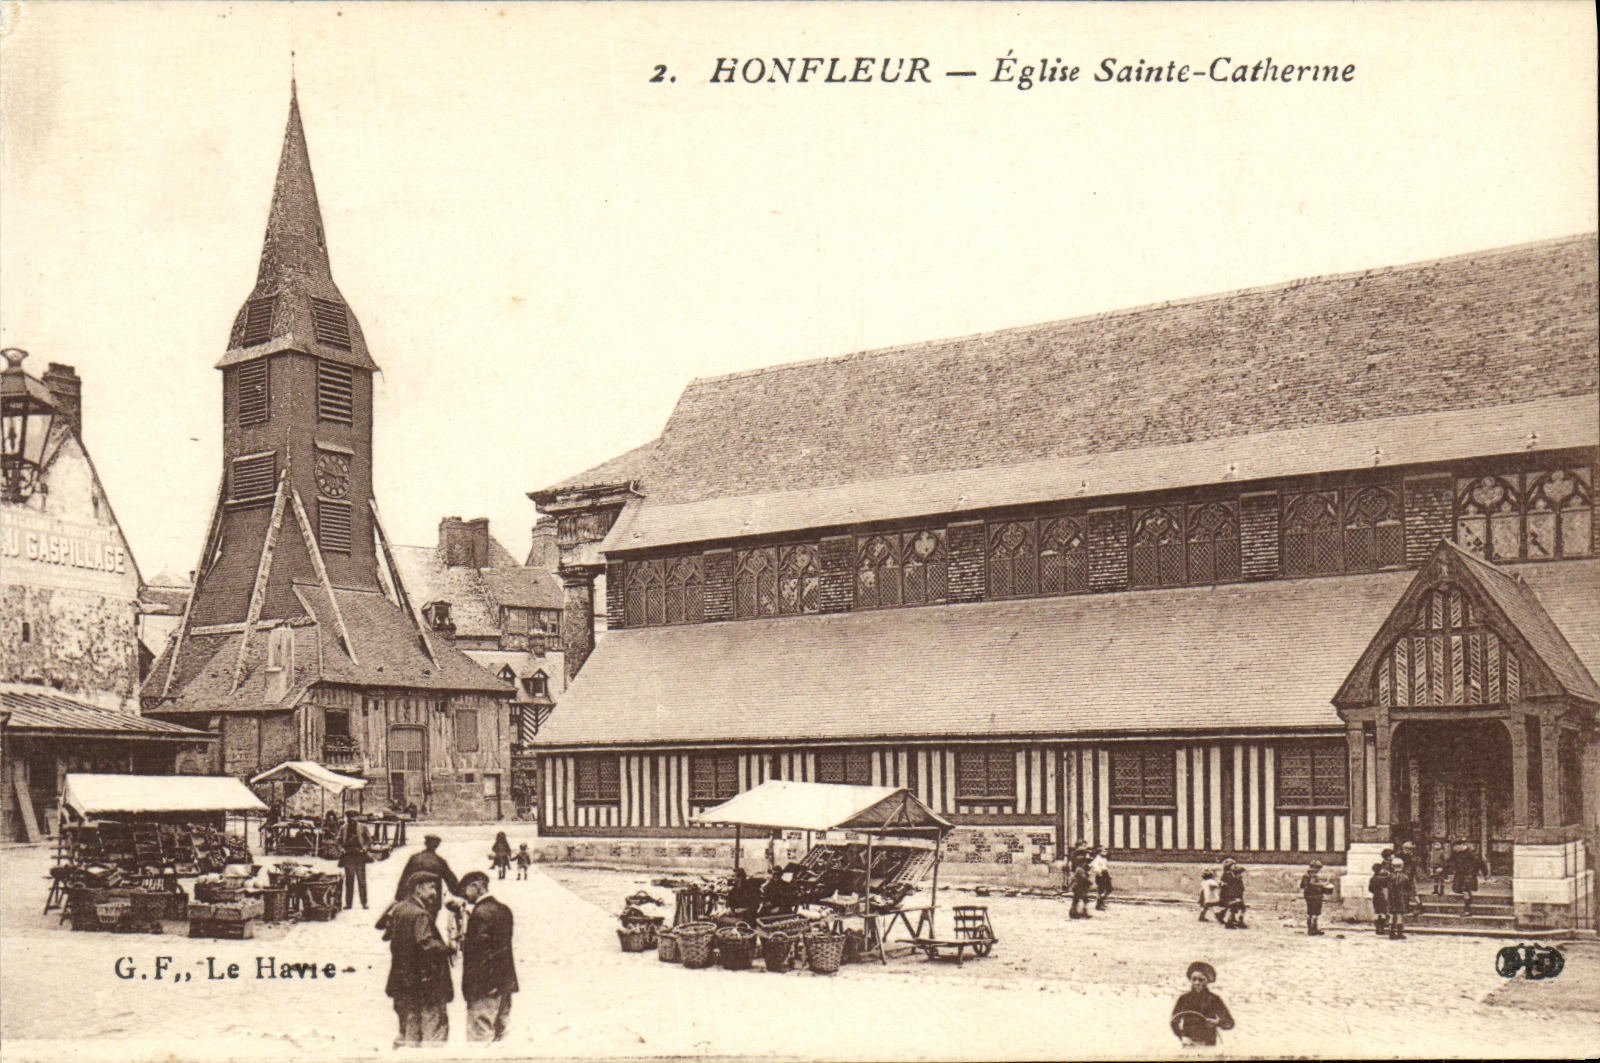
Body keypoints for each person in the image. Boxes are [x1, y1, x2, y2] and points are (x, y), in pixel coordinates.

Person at [385, 872, 455, 1047]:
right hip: (425, 982)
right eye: (432, 888)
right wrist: (447, 949)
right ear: (418, 889)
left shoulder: (400, 908)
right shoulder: (420, 914)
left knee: (408, 1031)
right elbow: (425, 943)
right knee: (433, 1030)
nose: (435, 893)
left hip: (402, 981)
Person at [460, 870, 518, 1042]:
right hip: (505, 981)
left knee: (480, 1034)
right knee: (502, 1031)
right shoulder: (503, 909)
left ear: (476, 886)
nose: (464, 895)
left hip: (484, 986)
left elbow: (480, 953)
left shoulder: (480, 914)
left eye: (465, 890)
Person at [1170, 961, 1234, 1047]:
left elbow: (1229, 1023)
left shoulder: (1214, 999)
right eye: (1194, 979)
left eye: (1201, 980)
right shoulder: (1184, 999)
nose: (1197, 983)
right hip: (1189, 1045)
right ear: (1190, 980)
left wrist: (1217, 1022)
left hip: (1209, 1044)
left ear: (1208, 980)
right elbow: (1174, 1021)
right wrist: (1182, 1037)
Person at [394, 834, 462, 907]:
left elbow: (404, 879)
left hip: (414, 897)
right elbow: (452, 883)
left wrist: (399, 897)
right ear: (437, 845)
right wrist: (463, 894)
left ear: (425, 843)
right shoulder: (440, 861)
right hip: (433, 900)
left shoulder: (414, 858)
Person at [338, 810, 373, 910]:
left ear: (357, 818)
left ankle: (364, 903)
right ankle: (348, 904)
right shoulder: (343, 828)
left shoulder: (363, 827)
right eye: (349, 818)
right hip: (348, 856)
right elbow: (338, 840)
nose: (352, 820)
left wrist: (365, 848)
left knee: (361, 880)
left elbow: (369, 839)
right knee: (349, 880)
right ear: (347, 818)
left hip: (360, 856)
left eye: (354, 817)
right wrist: (341, 849)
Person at [1449, 840, 1490, 917]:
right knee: (1457, 889)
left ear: (1460, 845)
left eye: (1455, 847)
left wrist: (1485, 874)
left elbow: (1481, 863)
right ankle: (1468, 905)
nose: (1454, 849)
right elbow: (1450, 862)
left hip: (1469, 875)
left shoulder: (1472, 853)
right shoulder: (1456, 853)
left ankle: (1467, 910)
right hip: (1460, 875)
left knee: (1466, 891)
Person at [1299, 859, 1332, 936]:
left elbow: (1302, 886)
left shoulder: (1305, 875)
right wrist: (1324, 884)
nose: (1318, 870)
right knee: (1315, 913)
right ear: (1315, 867)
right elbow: (1312, 882)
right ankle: (1314, 929)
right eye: (1318, 868)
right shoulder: (1313, 874)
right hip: (1315, 895)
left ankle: (1310, 929)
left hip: (1308, 895)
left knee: (1310, 912)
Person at [1383, 857, 1407, 940]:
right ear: (1402, 866)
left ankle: (1391, 932)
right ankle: (1400, 933)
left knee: (1392, 915)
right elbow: (1408, 889)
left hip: (1391, 898)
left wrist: (1386, 897)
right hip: (1401, 898)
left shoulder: (1389, 877)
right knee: (1400, 915)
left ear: (1392, 866)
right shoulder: (1404, 877)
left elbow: (1385, 887)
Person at [1220, 860, 1247, 929]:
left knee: (1241, 907)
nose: (1235, 866)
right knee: (1234, 906)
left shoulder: (1237, 878)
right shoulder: (1227, 875)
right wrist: (1223, 884)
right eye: (1233, 865)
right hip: (1229, 896)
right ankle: (1230, 922)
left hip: (1235, 896)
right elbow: (1223, 885)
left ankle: (1238, 921)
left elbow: (1240, 889)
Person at [1368, 860, 1391, 935]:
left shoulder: (1372, 879)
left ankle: (1378, 928)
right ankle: (1382, 928)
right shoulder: (1383, 878)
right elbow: (1387, 885)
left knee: (1377, 912)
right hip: (1382, 896)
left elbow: (1370, 889)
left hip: (1375, 897)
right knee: (1383, 912)